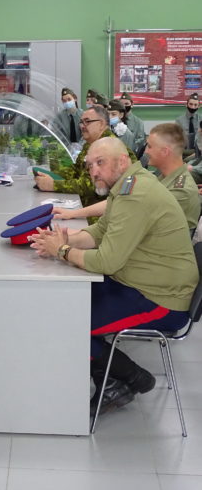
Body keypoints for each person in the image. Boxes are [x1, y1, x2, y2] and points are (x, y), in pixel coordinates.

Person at [30, 137, 198, 414]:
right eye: (90, 165)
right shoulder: (129, 185)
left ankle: (128, 379)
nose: (93, 171)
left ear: (122, 161)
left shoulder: (135, 194)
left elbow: (107, 261)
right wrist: (65, 239)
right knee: (63, 307)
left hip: (162, 301)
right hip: (138, 283)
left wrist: (61, 250)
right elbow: (100, 231)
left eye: (100, 163)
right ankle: (116, 379)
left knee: (67, 324)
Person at [54, 124, 201, 229]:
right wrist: (74, 214)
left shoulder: (181, 190)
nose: (146, 152)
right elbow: (118, 201)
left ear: (165, 152)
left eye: (150, 146)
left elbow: (128, 215)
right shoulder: (162, 178)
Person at [34, 106, 136, 209]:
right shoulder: (91, 144)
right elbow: (76, 169)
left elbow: (91, 185)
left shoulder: (109, 146)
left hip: (104, 211)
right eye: (81, 122)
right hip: (88, 205)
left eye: (87, 122)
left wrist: (54, 185)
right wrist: (53, 175)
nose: (82, 126)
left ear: (101, 124)